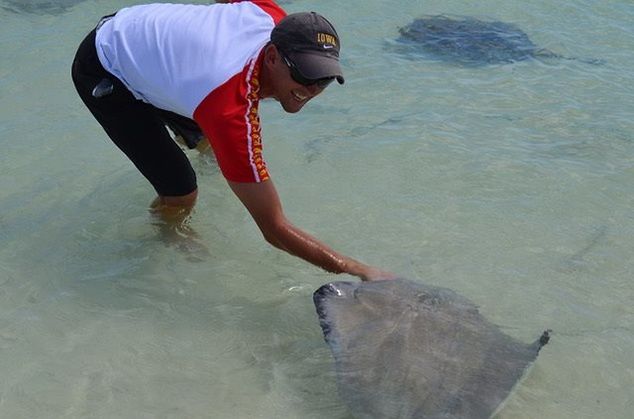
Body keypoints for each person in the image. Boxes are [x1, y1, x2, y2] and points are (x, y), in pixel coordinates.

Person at [71, 0, 392, 281]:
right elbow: (274, 230)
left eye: (323, 78)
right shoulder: (229, 110)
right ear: (271, 57)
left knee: (208, 143)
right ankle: (165, 233)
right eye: (304, 75)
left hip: (160, 60)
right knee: (182, 190)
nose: (311, 89)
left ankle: (200, 146)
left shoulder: (269, 14)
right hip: (105, 68)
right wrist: (357, 269)